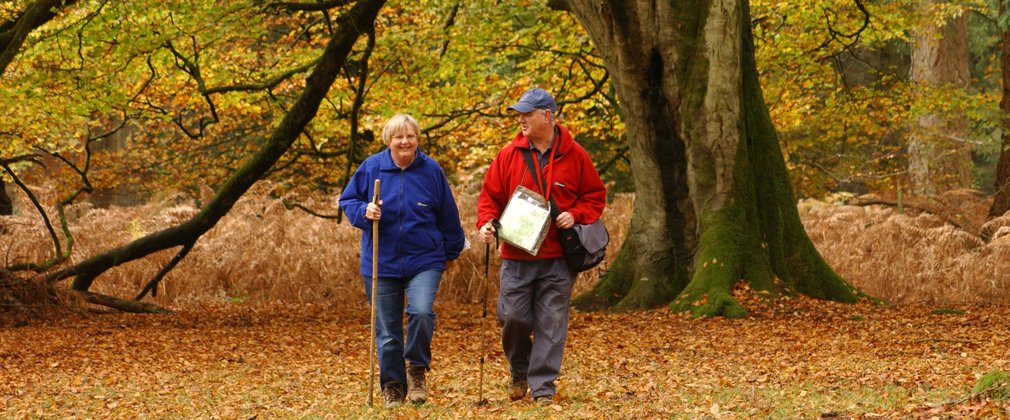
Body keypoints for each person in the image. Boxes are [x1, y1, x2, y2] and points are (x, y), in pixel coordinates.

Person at [476, 88, 606, 406]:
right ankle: (520, 371)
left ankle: (543, 386)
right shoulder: (508, 155)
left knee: (551, 321)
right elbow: (489, 196)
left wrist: (574, 215)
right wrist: (487, 222)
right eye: (519, 114)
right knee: (512, 317)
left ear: (546, 115)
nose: (520, 119)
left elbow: (595, 196)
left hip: (558, 257)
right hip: (516, 255)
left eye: (527, 113)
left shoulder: (576, 156)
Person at [339, 113, 466, 408]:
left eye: (410, 136)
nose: (405, 141)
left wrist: (452, 252)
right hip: (381, 261)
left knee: (421, 312)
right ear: (389, 141)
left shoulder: (431, 170)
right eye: (399, 137)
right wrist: (365, 211)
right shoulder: (372, 167)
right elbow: (348, 201)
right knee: (387, 329)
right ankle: (393, 385)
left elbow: (448, 215)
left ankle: (417, 369)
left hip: (425, 258)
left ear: (417, 139)